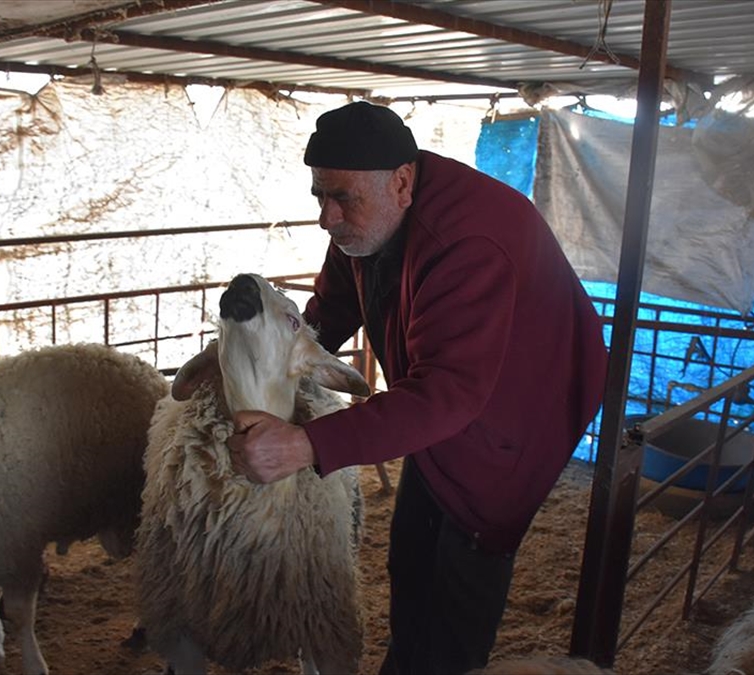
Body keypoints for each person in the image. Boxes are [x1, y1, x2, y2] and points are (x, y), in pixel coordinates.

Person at [224, 100, 608, 674]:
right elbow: (335, 303)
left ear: (402, 183)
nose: (325, 217)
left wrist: (306, 444)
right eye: (318, 197)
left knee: (464, 566)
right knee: (411, 556)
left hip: (515, 412)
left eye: (340, 199)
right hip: (445, 396)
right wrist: (284, 348)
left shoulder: (468, 241)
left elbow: (446, 394)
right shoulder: (366, 213)